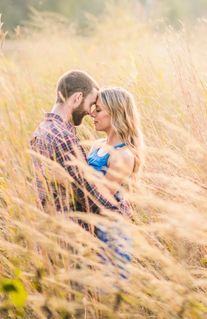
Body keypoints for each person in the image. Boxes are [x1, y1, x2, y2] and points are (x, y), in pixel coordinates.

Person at [30, 70, 130, 223]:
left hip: (48, 228)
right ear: (77, 98)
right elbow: (91, 199)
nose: (90, 113)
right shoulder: (64, 137)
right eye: (91, 105)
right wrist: (124, 211)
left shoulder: (41, 130)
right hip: (69, 234)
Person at [87, 86, 144, 279]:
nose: (92, 113)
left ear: (116, 114)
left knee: (108, 292)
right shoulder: (97, 145)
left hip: (111, 232)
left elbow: (101, 195)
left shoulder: (124, 155)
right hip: (93, 225)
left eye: (99, 110)